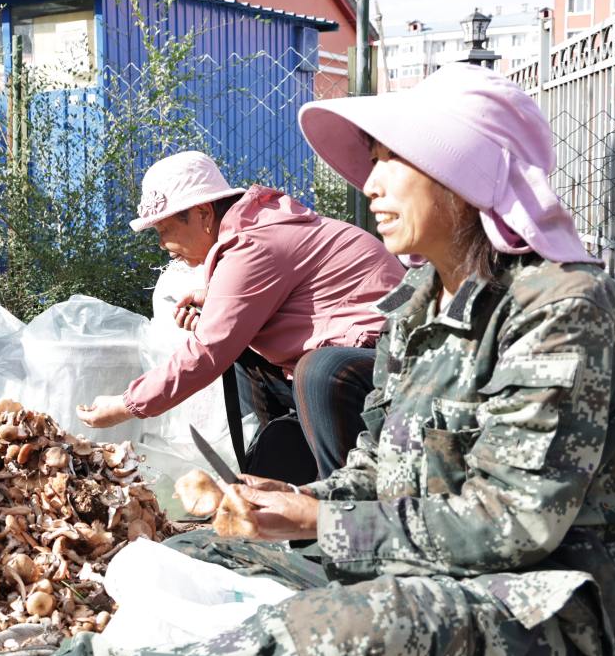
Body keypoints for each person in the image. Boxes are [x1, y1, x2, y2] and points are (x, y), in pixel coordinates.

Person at [0, 64, 615, 656]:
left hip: (540, 614)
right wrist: (299, 499)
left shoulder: (563, 311)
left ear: (464, 173)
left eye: (389, 162)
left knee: (335, 635)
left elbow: (515, 522)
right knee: (191, 550)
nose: (369, 184)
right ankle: (99, 648)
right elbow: (375, 465)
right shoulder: (416, 304)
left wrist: (318, 524)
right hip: (409, 565)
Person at [77, 151, 403, 481]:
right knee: (243, 349)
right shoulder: (254, 229)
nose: (162, 243)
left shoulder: (253, 243)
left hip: (389, 365)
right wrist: (214, 303)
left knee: (316, 369)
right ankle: (269, 477)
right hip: (351, 350)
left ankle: (342, 503)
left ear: (203, 213)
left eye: (164, 228)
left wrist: (126, 404)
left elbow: (207, 351)